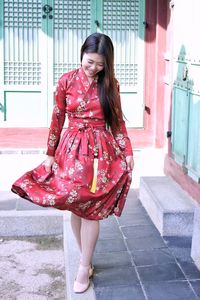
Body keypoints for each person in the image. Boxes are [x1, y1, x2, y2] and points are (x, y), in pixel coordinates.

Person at [11, 32, 134, 293]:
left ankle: (83, 265)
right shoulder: (66, 80)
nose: (94, 69)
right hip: (71, 150)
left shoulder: (111, 84)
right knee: (75, 205)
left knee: (91, 207)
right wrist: (50, 153)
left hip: (101, 153)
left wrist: (128, 151)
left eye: (100, 64)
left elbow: (117, 122)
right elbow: (57, 118)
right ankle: (84, 258)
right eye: (90, 62)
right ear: (82, 54)